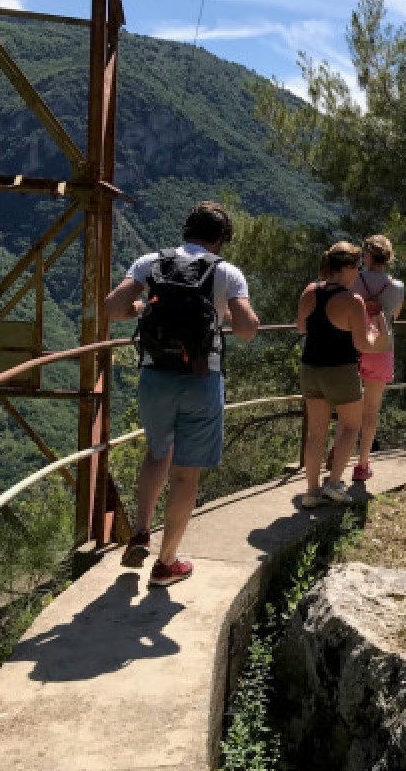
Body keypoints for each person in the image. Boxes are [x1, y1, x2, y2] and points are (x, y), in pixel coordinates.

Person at [104, 201, 260, 586]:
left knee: (157, 452)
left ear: (187, 229)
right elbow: (247, 330)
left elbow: (111, 307)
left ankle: (140, 530)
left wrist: (140, 308)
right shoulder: (226, 272)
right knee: (186, 475)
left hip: (155, 375)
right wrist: (224, 311)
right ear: (221, 239)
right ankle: (166, 563)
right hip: (200, 378)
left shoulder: (150, 262)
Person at [296, 241, 390, 506]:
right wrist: (374, 333)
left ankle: (311, 492)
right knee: (351, 425)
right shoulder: (352, 301)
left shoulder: (310, 290)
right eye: (357, 268)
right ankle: (335, 483)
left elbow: (301, 327)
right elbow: (363, 345)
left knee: (316, 433)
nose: (358, 273)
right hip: (340, 370)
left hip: (310, 368)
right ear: (348, 268)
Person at [349, 235, 405, 482]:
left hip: (353, 346)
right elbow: (396, 314)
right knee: (371, 411)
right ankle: (362, 465)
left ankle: (337, 452)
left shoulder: (354, 280)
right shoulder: (398, 286)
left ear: (367, 256)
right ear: (389, 257)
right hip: (381, 349)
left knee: (347, 406)